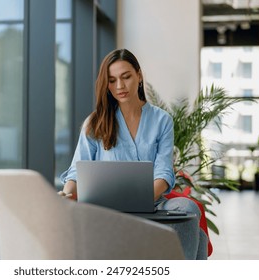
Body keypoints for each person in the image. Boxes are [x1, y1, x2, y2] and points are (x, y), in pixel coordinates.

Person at [58, 48, 208, 260]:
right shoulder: (95, 122)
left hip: (153, 203)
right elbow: (76, 170)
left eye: (126, 77)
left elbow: (164, 172)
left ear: (138, 75)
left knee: (188, 208)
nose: (119, 86)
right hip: (105, 207)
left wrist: (141, 200)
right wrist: (66, 194)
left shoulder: (162, 120)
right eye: (112, 80)